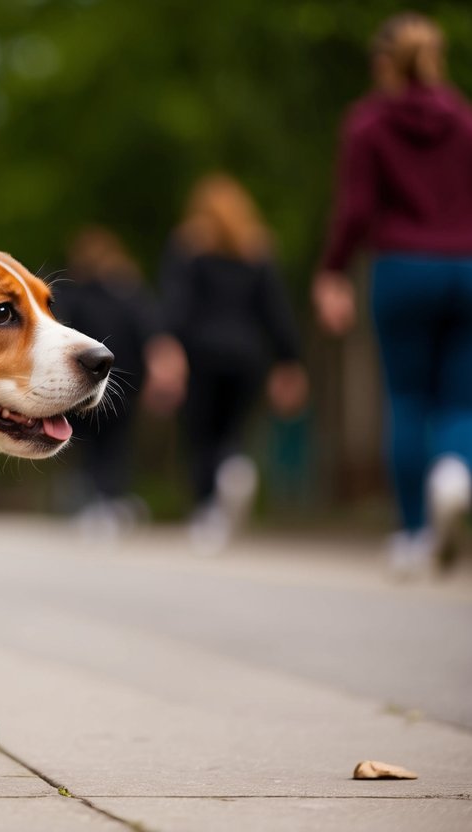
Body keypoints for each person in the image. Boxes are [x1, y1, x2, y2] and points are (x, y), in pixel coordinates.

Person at [313, 12, 472, 577]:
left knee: (407, 400)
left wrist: (331, 273)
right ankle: (455, 472)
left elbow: (356, 210)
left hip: (403, 269)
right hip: (466, 268)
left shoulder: (368, 123)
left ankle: (412, 534)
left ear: (383, 64)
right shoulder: (464, 120)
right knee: (459, 400)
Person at [160, 174, 309, 551]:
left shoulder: (188, 247)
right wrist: (289, 361)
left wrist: (166, 346)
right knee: (232, 430)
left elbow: (176, 305)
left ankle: (208, 510)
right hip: (247, 356)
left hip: (201, 355)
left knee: (200, 434)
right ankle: (235, 471)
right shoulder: (256, 250)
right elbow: (276, 312)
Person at [52, 226, 186, 537]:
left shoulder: (74, 292)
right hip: (124, 383)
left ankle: (96, 502)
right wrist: (161, 374)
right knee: (115, 446)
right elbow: (152, 336)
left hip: (82, 383)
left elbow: (59, 329)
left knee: (86, 442)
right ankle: (108, 501)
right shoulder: (131, 293)